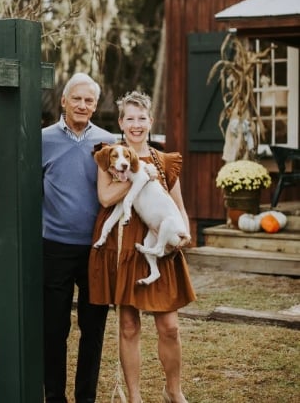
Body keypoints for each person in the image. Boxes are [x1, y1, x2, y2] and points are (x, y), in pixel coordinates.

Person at [89, 91, 196, 403]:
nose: (136, 125)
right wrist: (135, 176)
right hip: (124, 245)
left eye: (142, 118)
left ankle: (173, 390)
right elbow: (106, 198)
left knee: (170, 327)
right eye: (130, 118)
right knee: (128, 326)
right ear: (121, 122)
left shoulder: (164, 162)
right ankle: (134, 397)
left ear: (151, 121)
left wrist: (185, 234)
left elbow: (179, 207)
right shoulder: (110, 155)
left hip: (159, 246)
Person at [42, 73, 116, 402]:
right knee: (54, 330)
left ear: (95, 105)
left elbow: (116, 189)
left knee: (93, 329)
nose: (82, 105)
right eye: (77, 98)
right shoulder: (42, 139)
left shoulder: (107, 141)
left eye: (89, 100)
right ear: (63, 101)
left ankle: (86, 398)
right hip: (54, 247)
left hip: (96, 250)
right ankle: (54, 397)